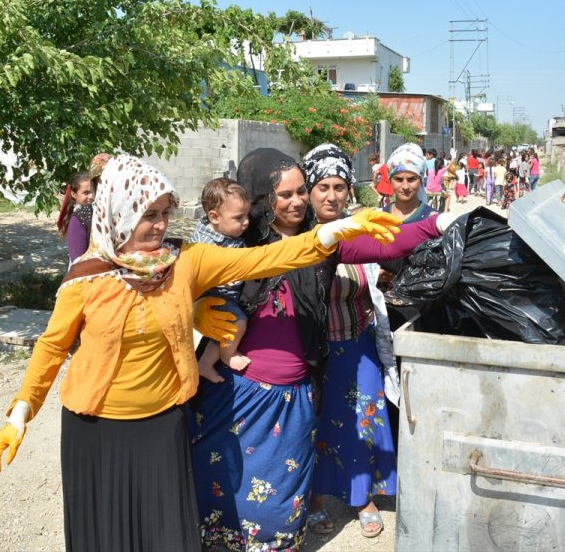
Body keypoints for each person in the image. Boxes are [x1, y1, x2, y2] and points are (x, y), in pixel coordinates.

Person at [0, 154, 400, 552]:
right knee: (107, 531)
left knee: (163, 529)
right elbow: (52, 346)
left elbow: (265, 258)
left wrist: (332, 232)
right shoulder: (86, 277)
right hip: (95, 429)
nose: (160, 225)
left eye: (165, 213)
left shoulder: (184, 261)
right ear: (118, 213)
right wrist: (21, 409)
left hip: (162, 423)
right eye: (148, 215)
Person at [189, 147, 421, 550]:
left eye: (302, 192)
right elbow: (177, 284)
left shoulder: (321, 241)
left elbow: (387, 245)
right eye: (286, 194)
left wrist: (442, 224)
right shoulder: (238, 244)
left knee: (281, 500)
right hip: (238, 395)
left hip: (294, 392)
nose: (298, 201)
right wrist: (196, 312)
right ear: (263, 197)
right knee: (225, 486)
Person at [301, 144, 454, 539]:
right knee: (317, 425)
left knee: (365, 420)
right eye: (322, 187)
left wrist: (441, 224)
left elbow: (392, 245)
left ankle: (361, 496)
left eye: (339, 186)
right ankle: (316, 499)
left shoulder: (359, 226)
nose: (332, 195)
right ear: (310, 191)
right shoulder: (300, 239)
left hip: (360, 341)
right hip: (317, 350)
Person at [190, 178, 252, 383]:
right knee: (237, 324)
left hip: (224, 295)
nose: (246, 222)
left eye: (247, 215)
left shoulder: (218, 231)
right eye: (238, 217)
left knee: (220, 331)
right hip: (214, 295)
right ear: (214, 217)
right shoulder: (209, 245)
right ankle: (227, 356)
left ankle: (205, 364)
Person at [384, 143, 435, 224]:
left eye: (411, 179)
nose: (405, 186)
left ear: (421, 181)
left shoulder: (432, 220)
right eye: (399, 179)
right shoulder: (380, 218)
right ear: (390, 181)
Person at [56, 171, 94, 264]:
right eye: (86, 193)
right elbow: (78, 261)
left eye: (93, 191)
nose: (91, 196)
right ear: (74, 194)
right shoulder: (77, 220)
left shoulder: (92, 211)